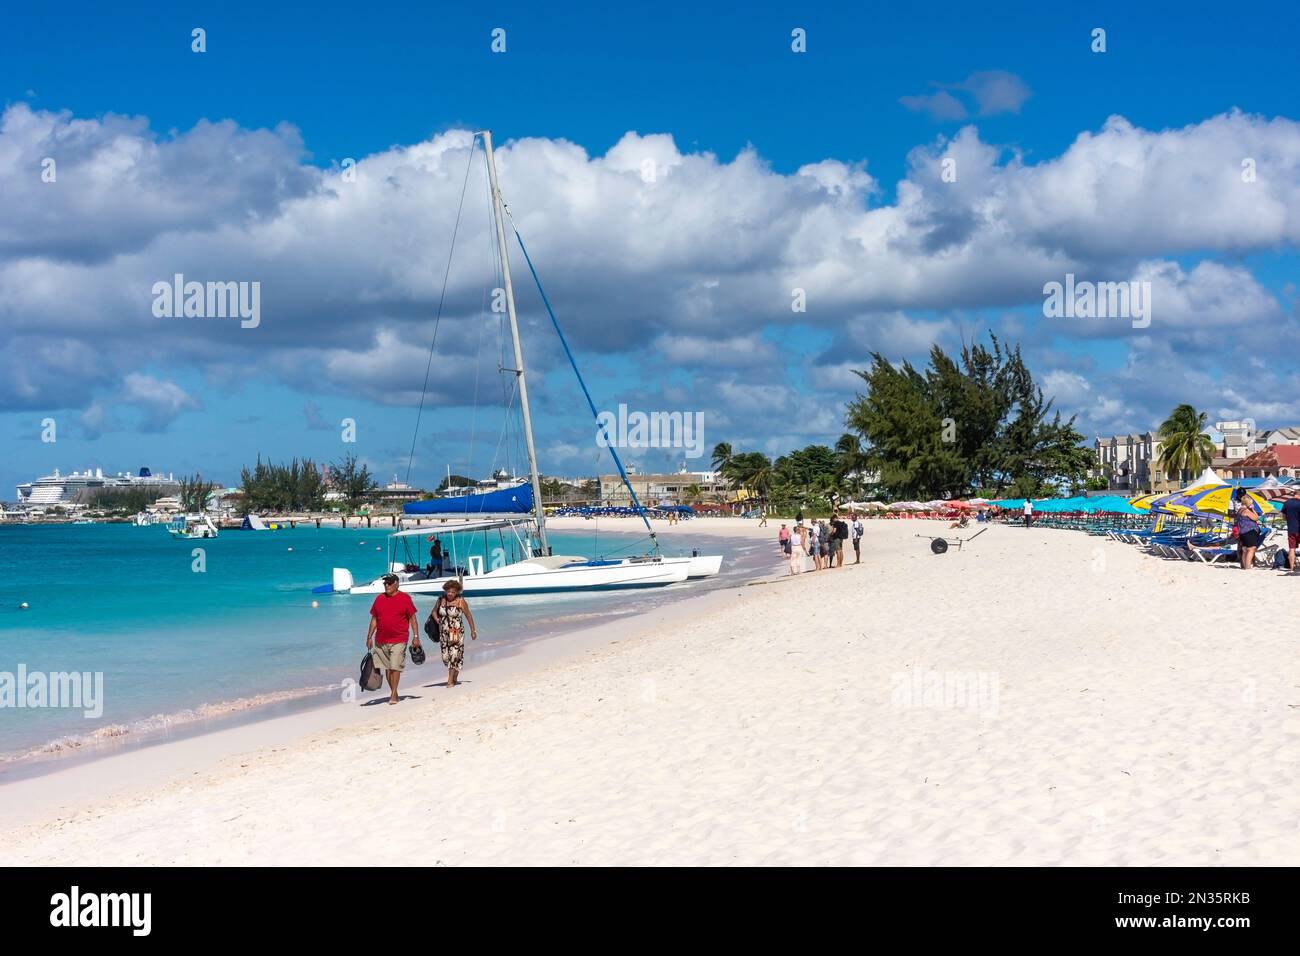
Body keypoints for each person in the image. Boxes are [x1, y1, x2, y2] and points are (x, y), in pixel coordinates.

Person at [366, 573, 421, 705]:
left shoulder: (405, 598)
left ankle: (393, 694)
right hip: (381, 640)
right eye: (385, 583)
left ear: (397, 584)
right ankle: (394, 692)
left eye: (389, 583)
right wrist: (369, 637)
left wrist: (416, 636)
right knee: (388, 668)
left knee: (395, 666)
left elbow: (413, 619)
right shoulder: (379, 599)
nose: (386, 585)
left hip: (399, 639)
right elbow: (374, 620)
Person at [432, 579, 477, 687]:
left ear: (457, 592)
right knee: (445, 656)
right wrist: (437, 620)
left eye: (453, 592)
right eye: (448, 591)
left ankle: (450, 679)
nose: (450, 594)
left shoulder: (461, 601)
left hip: (456, 631)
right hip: (443, 632)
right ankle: (455, 672)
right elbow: (434, 612)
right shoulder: (441, 600)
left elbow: (468, 616)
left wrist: (473, 630)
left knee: (454, 654)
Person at [1234, 494, 1265, 570]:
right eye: (1251, 503)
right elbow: (1256, 518)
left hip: (1242, 532)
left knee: (1245, 549)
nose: (1252, 504)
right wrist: (1253, 509)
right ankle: (1247, 566)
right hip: (1249, 531)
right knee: (1251, 549)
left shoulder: (1240, 510)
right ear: (1248, 503)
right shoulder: (1246, 511)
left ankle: (1245, 566)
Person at [1283, 496, 1300, 571]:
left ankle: (1292, 568)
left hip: (1291, 529)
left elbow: (1283, 516)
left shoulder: (1287, 503)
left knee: (1292, 549)